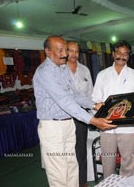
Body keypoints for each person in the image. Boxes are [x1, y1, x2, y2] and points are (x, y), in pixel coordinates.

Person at [33, 35, 116, 187]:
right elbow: (64, 100)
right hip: (53, 127)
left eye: (65, 49)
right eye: (60, 50)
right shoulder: (44, 72)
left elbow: (75, 94)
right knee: (59, 171)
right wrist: (92, 120)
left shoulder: (63, 68)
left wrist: (94, 105)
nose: (65, 53)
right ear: (48, 51)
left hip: (69, 124)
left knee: (72, 167)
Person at [91, 40, 134, 178]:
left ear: (129, 56)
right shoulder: (102, 75)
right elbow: (95, 98)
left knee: (128, 161)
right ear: (113, 54)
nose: (122, 56)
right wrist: (98, 105)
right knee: (108, 161)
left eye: (125, 53)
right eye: (119, 53)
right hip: (106, 125)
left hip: (128, 126)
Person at [67, 41, 93, 187]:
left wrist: (93, 113)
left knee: (81, 150)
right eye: (70, 51)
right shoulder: (60, 70)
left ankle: (82, 182)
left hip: (82, 116)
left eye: (76, 51)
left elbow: (90, 92)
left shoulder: (84, 70)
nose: (74, 54)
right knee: (67, 152)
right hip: (65, 116)